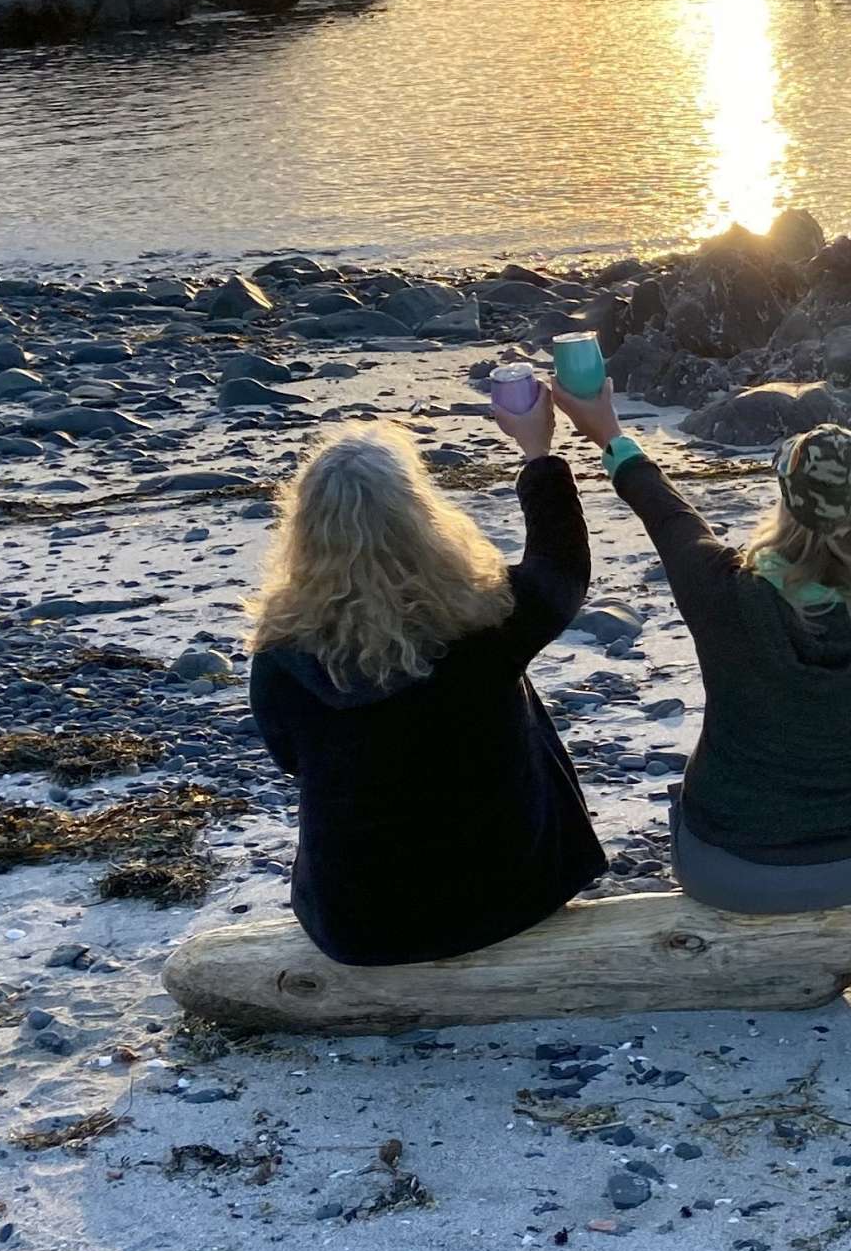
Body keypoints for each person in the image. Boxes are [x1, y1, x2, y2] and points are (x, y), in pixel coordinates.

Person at [552, 380, 851, 913]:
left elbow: (669, 515)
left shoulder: (726, 591)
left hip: (725, 874)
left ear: (786, 505)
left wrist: (608, 432)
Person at [246, 398, 601, 964]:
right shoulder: (485, 621)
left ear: (304, 531)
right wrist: (538, 453)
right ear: (421, 514)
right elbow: (560, 567)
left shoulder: (281, 649)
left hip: (360, 927)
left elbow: (289, 758)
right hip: (508, 901)